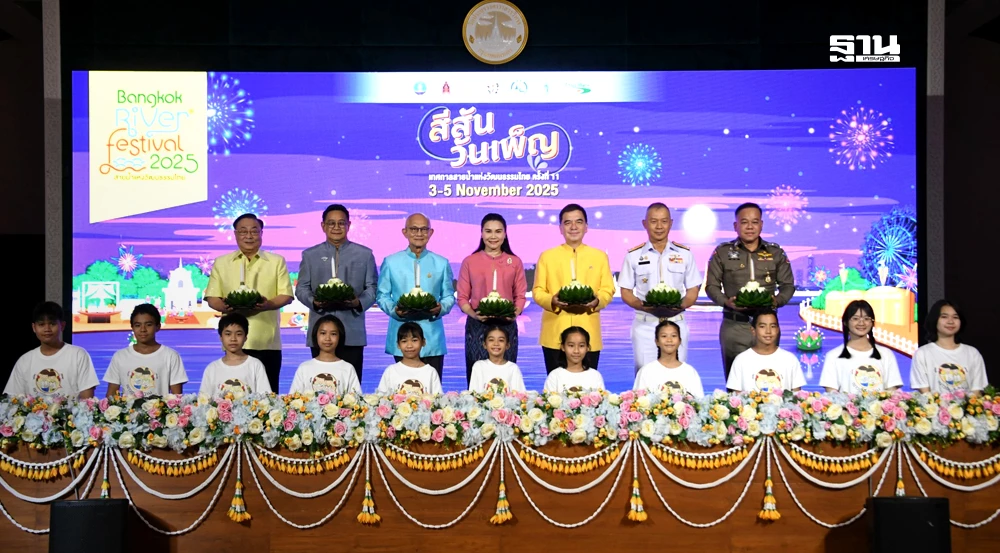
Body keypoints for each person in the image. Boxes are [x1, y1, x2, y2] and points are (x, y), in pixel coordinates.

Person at [204, 213, 293, 392]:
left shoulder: (276, 261)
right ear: (235, 234)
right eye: (243, 231)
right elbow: (212, 298)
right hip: (233, 342)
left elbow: (286, 295)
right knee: (232, 393)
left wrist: (267, 305)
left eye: (254, 231)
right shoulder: (222, 262)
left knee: (268, 396)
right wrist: (226, 306)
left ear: (261, 233)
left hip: (267, 341)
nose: (249, 236)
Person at [706, 202, 796, 380]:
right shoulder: (723, 252)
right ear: (735, 226)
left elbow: (788, 285)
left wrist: (777, 301)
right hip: (734, 326)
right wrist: (726, 302)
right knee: (735, 383)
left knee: (769, 379)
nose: (750, 227)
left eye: (754, 222)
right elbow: (711, 286)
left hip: (767, 326)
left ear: (761, 225)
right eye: (744, 222)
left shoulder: (775, 252)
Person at [296, 204, 378, 383]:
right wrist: (314, 301)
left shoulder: (364, 254)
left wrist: (357, 302)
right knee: (320, 386)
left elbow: (372, 289)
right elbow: (301, 289)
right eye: (331, 223)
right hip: (320, 332)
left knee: (351, 390)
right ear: (323, 226)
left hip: (352, 332)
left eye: (341, 223)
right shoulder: (310, 255)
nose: (336, 227)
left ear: (349, 225)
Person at [618, 203, 702, 371]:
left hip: (676, 324)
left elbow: (693, 289)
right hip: (645, 325)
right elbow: (625, 291)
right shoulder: (633, 255)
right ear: (645, 223)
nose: (659, 226)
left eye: (664, 221)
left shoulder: (684, 254)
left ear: (671, 223)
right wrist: (641, 305)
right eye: (653, 221)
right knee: (644, 375)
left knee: (677, 376)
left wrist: (681, 305)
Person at [532, 204, 615, 373]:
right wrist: (552, 300)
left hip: (589, 333)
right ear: (560, 228)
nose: (573, 227)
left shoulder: (599, 256)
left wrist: (597, 301)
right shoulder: (547, 256)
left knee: (588, 387)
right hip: (554, 333)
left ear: (586, 227)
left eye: (579, 222)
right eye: (567, 222)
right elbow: (538, 291)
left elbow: (608, 289)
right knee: (556, 386)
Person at [376, 213, 455, 379]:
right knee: (402, 389)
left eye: (424, 229)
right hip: (402, 335)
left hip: (432, 335)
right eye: (414, 229)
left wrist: (440, 308)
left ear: (431, 232)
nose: (419, 233)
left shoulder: (441, 263)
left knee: (432, 390)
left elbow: (449, 296)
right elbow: (382, 295)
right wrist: (395, 311)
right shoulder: (391, 262)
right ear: (404, 232)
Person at [457, 213, 527, 385]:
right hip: (478, 325)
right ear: (481, 233)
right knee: (476, 377)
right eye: (488, 231)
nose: (493, 236)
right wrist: (474, 315)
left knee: (506, 378)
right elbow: (462, 298)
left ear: (505, 234)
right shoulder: (470, 261)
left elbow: (520, 296)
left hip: (506, 325)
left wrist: (514, 314)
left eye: (498, 231)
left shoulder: (515, 262)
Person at [4, 301, 98, 398]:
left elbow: (87, 400)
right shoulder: (25, 360)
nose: (47, 329)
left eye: (52, 324)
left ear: (62, 326)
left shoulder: (78, 355)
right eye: (41, 324)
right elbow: (13, 400)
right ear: (34, 327)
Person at [105, 303, 188, 398]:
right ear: (132, 327)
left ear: (158, 326)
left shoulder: (171, 356)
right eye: (137, 325)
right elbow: (111, 395)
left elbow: (177, 397)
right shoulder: (120, 356)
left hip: (160, 408)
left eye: (148, 325)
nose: (143, 329)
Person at [819, 300, 902, 394]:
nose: (861, 323)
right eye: (855, 318)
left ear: (872, 323)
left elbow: (893, 392)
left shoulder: (886, 354)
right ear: (845, 322)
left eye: (866, 319)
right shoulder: (833, 356)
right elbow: (831, 394)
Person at [911, 300, 988, 394]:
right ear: (935, 320)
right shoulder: (922, 353)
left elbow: (977, 390)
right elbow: (924, 392)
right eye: (944, 317)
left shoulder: (972, 353)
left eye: (955, 317)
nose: (951, 321)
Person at [726, 309, 804, 393]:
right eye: (762, 326)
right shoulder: (741, 360)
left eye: (772, 326)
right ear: (753, 330)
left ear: (778, 330)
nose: (768, 331)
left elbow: (797, 396)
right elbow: (736, 397)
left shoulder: (790, 360)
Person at [199, 313, 272, 398]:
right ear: (221, 337)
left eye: (238, 334)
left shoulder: (255, 365)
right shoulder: (212, 369)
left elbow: (265, 398)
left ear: (245, 337)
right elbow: (203, 400)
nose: (233, 339)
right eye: (228, 334)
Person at [288, 314, 361, 396]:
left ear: (340, 337)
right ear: (315, 335)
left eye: (333, 334)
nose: (327, 338)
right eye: (323, 333)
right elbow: (293, 399)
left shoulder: (348, 368)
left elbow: (356, 399)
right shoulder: (304, 368)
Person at [633, 320, 704, 398]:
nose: (669, 340)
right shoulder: (646, 371)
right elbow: (637, 402)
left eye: (673, 336)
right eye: (664, 336)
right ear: (656, 341)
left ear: (680, 341)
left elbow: (699, 402)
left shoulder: (690, 372)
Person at [376, 322, 443, 395]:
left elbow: (438, 399)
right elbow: (380, 398)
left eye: (414, 340)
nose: (409, 346)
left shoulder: (430, 372)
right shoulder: (391, 371)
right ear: (398, 345)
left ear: (423, 342)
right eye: (404, 341)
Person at [542, 327, 606, 392]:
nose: (576, 351)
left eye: (581, 346)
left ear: (587, 348)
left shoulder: (595, 376)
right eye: (571, 346)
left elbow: (602, 397)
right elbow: (548, 397)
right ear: (563, 347)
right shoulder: (554, 376)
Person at [468, 325, 526, 394]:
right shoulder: (479, 366)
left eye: (501, 340)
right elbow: (473, 395)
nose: (496, 344)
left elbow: (520, 395)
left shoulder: (513, 368)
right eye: (491, 340)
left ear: (507, 345)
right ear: (484, 345)